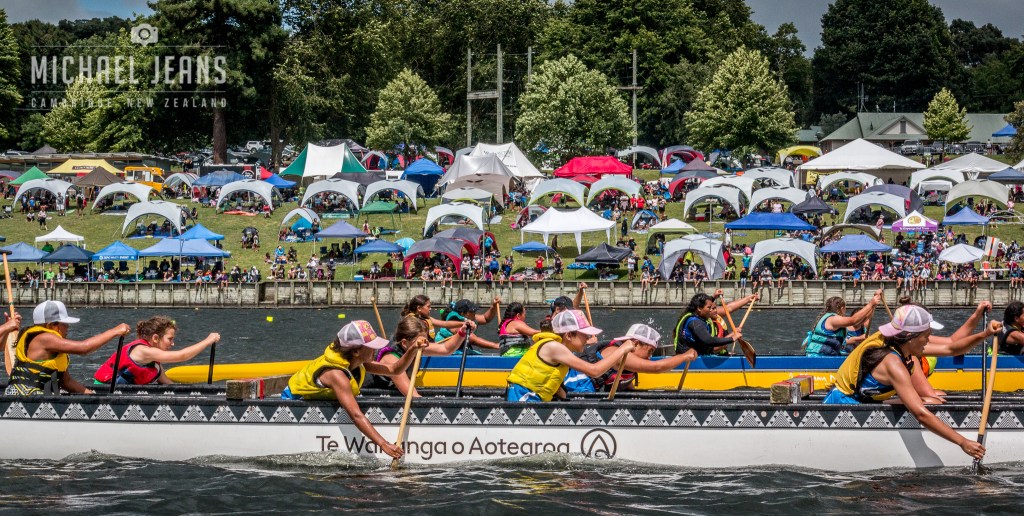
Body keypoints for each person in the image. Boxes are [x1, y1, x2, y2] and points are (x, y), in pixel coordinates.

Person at [823, 305, 986, 461]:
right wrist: (962, 442)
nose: (928, 340)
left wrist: (985, 334)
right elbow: (920, 414)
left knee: (931, 401)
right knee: (925, 406)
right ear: (910, 337)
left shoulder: (899, 344)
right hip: (843, 408)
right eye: (926, 336)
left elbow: (951, 349)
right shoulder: (892, 363)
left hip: (865, 399)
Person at [282, 320, 428, 459]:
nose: (376, 349)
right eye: (371, 345)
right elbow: (356, 415)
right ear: (357, 351)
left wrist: (413, 349)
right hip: (292, 403)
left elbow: (394, 369)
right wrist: (384, 444)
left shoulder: (358, 362)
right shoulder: (336, 375)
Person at [4, 301, 131, 396]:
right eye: (64, 323)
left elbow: (66, 382)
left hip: (42, 398)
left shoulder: (53, 348)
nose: (68, 327)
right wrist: (114, 331)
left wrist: (92, 396)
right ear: (51, 325)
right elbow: (84, 348)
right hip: (23, 399)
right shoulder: (44, 338)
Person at [506, 310, 634, 402]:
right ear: (568, 335)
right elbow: (594, 371)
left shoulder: (558, 350)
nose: (588, 338)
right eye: (584, 334)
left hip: (529, 396)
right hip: (523, 397)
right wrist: (622, 349)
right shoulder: (554, 347)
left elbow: (557, 387)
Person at [92, 316, 221, 385]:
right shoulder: (143, 351)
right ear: (155, 338)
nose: (173, 343)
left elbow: (169, 385)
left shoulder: (155, 364)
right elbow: (182, 356)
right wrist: (207, 341)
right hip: (103, 391)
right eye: (170, 339)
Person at [373, 316, 476, 397]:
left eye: (425, 340)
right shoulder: (391, 359)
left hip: (399, 394)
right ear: (404, 343)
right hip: (381, 398)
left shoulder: (417, 346)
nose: (425, 345)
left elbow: (446, 349)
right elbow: (412, 395)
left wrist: (462, 332)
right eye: (420, 341)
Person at [579, 324, 695, 392]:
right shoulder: (619, 354)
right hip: (577, 394)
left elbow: (625, 384)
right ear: (635, 343)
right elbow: (656, 367)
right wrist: (684, 356)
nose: (649, 357)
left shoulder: (627, 361)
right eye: (650, 351)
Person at [802, 292, 881, 356]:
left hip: (825, 355)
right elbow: (853, 320)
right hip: (818, 357)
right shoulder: (833, 319)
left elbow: (861, 320)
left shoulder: (830, 318)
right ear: (842, 308)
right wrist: (870, 303)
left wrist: (874, 304)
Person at [672, 292, 749, 356]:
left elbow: (705, 305)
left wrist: (713, 297)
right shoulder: (695, 322)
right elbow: (709, 340)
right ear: (699, 308)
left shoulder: (696, 316)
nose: (711, 311)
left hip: (696, 356)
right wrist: (732, 338)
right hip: (689, 361)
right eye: (709, 308)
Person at [434, 298, 500, 352]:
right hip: (446, 351)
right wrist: (496, 345)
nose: (475, 312)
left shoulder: (467, 317)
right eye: (472, 311)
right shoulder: (454, 321)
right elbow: (473, 340)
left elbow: (485, 318)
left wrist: (493, 306)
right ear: (463, 313)